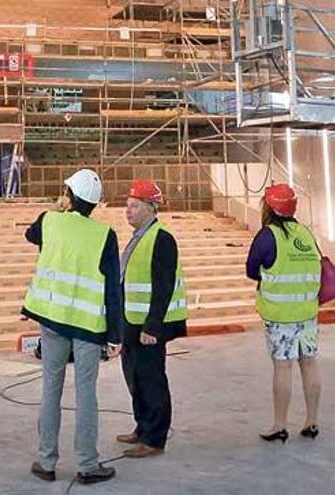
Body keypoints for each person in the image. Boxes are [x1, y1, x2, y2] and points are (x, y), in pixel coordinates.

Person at [22, 169, 122, 486]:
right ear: (95, 203)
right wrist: (115, 335)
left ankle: (46, 461)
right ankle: (87, 465)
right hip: (88, 327)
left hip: (52, 321)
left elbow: (30, 235)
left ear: (68, 194)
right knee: (86, 395)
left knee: (50, 391)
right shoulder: (104, 235)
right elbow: (112, 290)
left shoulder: (49, 221)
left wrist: (58, 208)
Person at [116, 179, 187, 458]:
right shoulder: (140, 237)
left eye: (134, 205)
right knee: (134, 375)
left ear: (150, 207)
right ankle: (142, 426)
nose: (128, 210)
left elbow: (163, 285)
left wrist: (153, 326)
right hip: (131, 320)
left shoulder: (162, 238)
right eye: (127, 205)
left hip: (148, 325)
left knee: (151, 378)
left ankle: (155, 437)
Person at [246, 183, 322, 443]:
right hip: (307, 311)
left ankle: (280, 424)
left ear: (269, 206)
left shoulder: (268, 236)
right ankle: (312, 422)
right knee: (309, 363)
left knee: (283, 367)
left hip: (280, 314)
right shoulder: (305, 233)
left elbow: (252, 268)